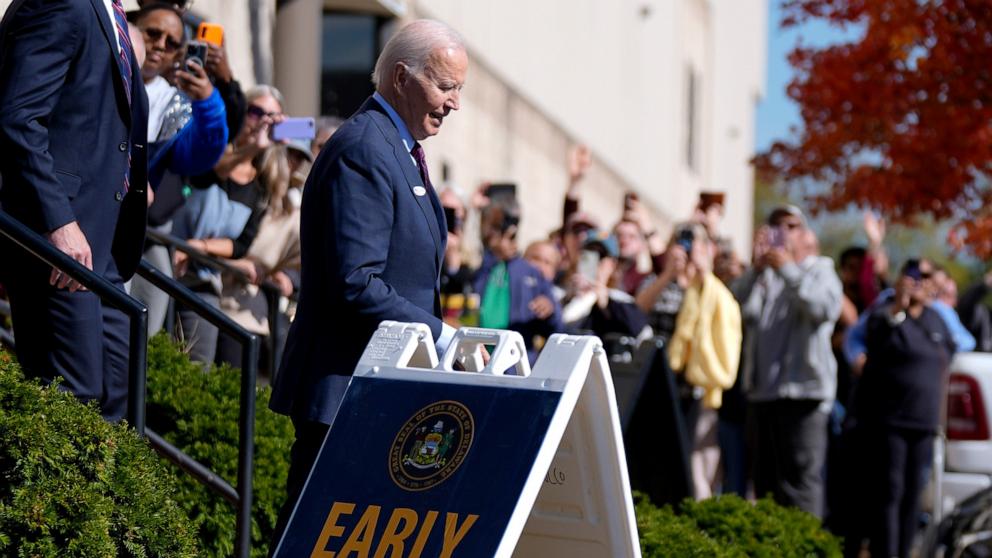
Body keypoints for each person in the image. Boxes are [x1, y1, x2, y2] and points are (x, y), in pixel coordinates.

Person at [267, 19, 469, 546]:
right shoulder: (364, 148)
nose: (453, 103)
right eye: (445, 87)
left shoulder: (396, 146)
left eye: (458, 90)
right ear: (402, 77)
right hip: (345, 390)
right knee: (310, 538)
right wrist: (442, 335)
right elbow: (356, 281)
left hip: (379, 387)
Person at [0, 0, 149, 421]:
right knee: (72, 398)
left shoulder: (108, 12)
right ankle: (51, 491)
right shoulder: (61, 1)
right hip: (59, 243)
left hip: (104, 248)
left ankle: (104, 491)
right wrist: (59, 222)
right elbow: (18, 119)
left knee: (119, 392)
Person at [170, 85, 288, 366]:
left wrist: (199, 246)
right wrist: (253, 147)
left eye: (273, 117)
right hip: (167, 261)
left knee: (195, 367)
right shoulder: (214, 149)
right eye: (256, 112)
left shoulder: (263, 184)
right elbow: (215, 170)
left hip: (202, 277)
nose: (262, 122)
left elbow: (240, 244)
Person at [736, 205, 842, 517]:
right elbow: (739, 309)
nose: (783, 230)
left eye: (792, 225)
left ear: (805, 234)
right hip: (763, 395)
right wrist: (755, 270)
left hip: (804, 396)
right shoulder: (764, 276)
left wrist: (788, 269)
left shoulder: (819, 270)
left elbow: (823, 309)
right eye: (776, 224)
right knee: (765, 486)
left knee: (800, 484)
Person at [853, 260, 955, 558]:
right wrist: (899, 305)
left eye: (925, 276)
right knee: (890, 492)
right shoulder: (885, 315)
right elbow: (870, 341)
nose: (920, 282)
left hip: (923, 422)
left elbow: (953, 348)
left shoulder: (937, 319)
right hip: (890, 422)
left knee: (913, 495)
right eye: (913, 276)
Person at [666, 223, 741, 499]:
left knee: (698, 469)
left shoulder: (717, 291)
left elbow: (724, 334)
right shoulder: (676, 284)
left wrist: (704, 273)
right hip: (673, 386)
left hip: (703, 390)